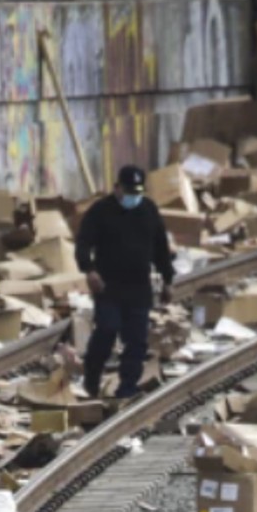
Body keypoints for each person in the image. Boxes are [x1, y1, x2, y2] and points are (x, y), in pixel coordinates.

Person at [74, 165, 176, 400]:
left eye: (137, 192)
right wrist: (89, 270)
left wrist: (168, 279)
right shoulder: (101, 211)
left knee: (136, 341)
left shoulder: (148, 210)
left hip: (139, 287)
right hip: (109, 286)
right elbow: (83, 244)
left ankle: (127, 388)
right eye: (129, 192)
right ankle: (92, 374)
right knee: (107, 329)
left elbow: (161, 248)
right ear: (117, 188)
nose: (133, 197)